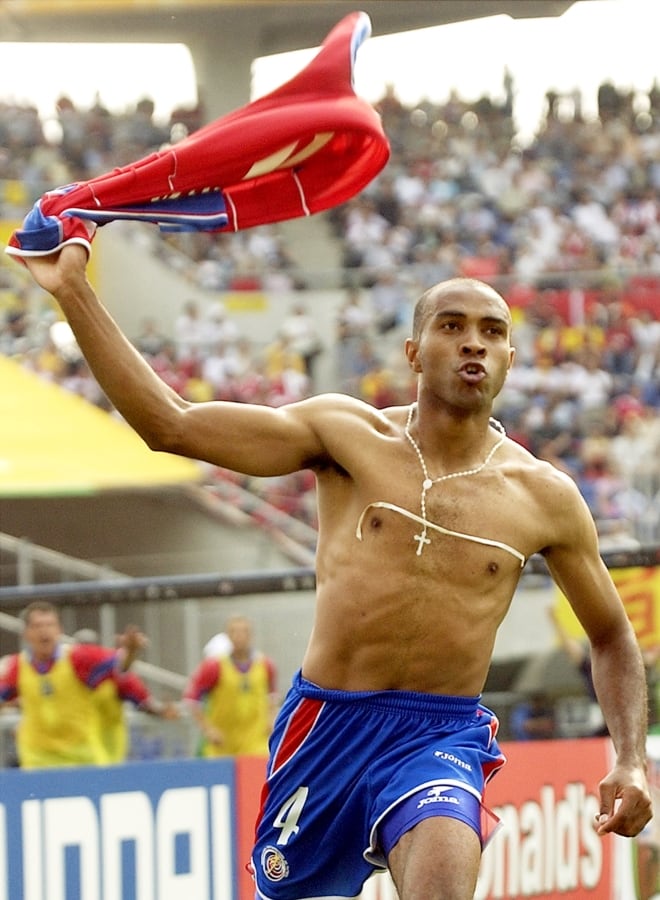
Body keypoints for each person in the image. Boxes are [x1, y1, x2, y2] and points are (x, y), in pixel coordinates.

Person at [21, 248, 651, 900]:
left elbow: (610, 635)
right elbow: (171, 426)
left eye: (493, 332)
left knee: (442, 877)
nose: (474, 343)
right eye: (452, 326)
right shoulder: (343, 435)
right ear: (413, 352)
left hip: (438, 733)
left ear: (511, 362)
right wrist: (74, 292)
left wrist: (630, 760)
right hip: (325, 726)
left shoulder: (545, 496)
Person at [0, 601, 147, 768]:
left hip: (81, 761)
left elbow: (120, 665)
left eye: (50, 625)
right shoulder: (16, 666)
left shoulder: (78, 658)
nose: (44, 631)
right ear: (26, 633)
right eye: (38, 626)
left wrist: (132, 651)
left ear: (59, 630)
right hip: (38, 763)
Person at [72, 628, 180, 764]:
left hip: (108, 749)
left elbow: (141, 699)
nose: (84, 654)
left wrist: (162, 711)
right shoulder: (66, 672)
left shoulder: (113, 676)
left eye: (89, 647)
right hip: (73, 748)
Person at [184, 615, 277, 756]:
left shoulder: (265, 665)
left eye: (243, 631)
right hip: (222, 744)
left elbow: (272, 696)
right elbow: (191, 699)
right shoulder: (214, 666)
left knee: (258, 776)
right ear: (228, 636)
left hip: (255, 744)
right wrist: (208, 729)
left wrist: (271, 719)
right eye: (234, 632)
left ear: (251, 635)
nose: (239, 636)